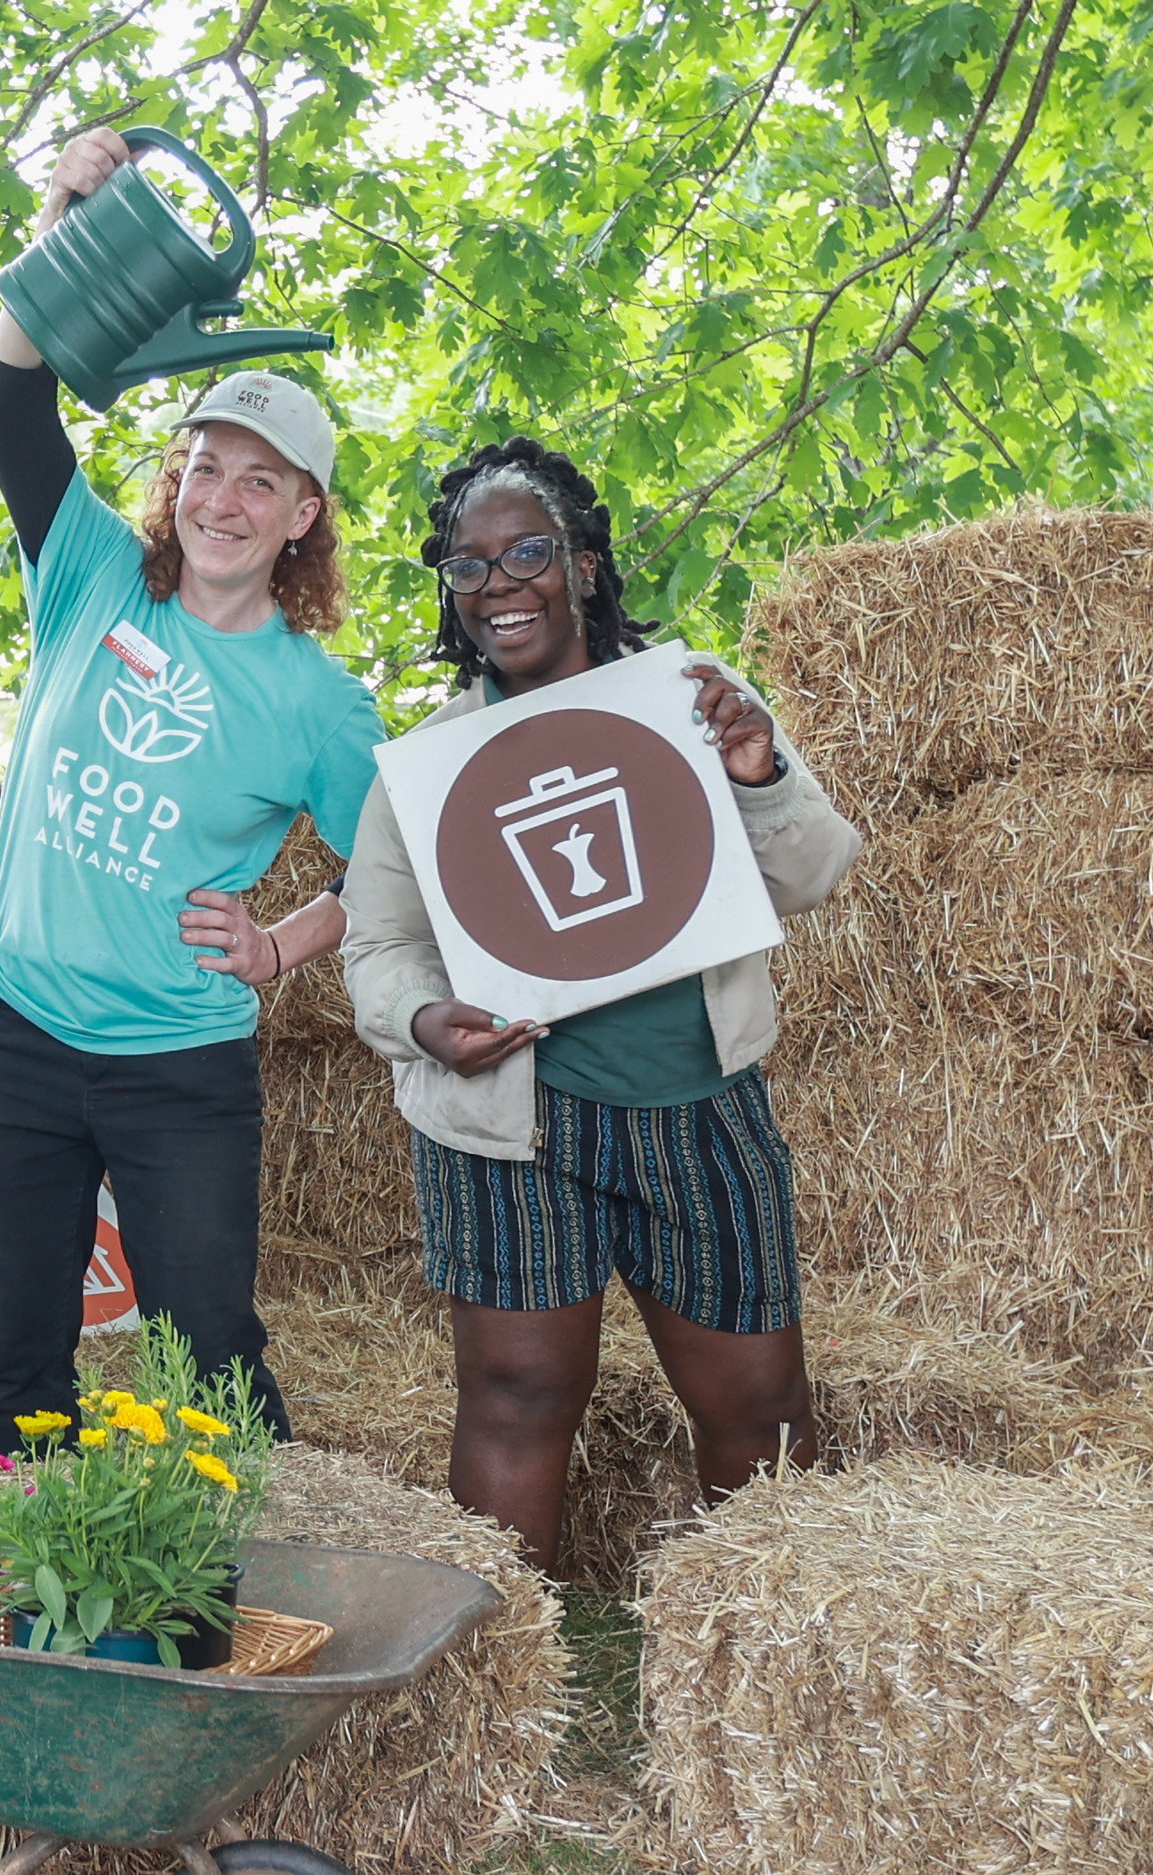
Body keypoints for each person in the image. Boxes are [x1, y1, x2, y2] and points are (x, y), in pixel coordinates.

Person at [339, 436, 861, 1576]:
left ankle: (763, 1662)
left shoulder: (693, 704)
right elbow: (378, 948)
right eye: (465, 566)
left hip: (698, 1098)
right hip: (511, 1123)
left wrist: (755, 772)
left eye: (524, 551)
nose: (496, 584)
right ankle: (499, 1680)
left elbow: (815, 871)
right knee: (516, 1394)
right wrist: (426, 1023)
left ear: (581, 563)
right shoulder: (427, 765)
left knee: (761, 1404)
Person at [0, 128, 388, 1458]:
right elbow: (9, 406)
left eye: (260, 480)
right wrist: (67, 218)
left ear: (303, 515)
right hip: (21, 1038)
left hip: (178, 1066)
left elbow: (392, 864)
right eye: (206, 465)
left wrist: (280, 944)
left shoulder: (319, 700)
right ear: (175, 480)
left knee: (208, 1347)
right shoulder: (90, 571)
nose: (224, 496)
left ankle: (231, 1613)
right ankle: (42, 1625)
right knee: (21, 1347)